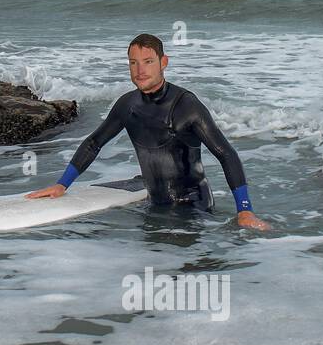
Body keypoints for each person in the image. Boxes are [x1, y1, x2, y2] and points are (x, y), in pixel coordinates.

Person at [26, 33, 271, 230]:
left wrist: (245, 210)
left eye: (148, 61)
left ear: (164, 63)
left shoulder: (187, 106)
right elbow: (94, 142)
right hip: (155, 206)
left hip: (193, 211)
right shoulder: (127, 105)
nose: (140, 70)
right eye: (133, 63)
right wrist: (61, 185)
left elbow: (226, 153)